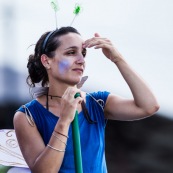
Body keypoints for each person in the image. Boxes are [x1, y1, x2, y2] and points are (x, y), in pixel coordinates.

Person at [13, 26, 159, 173]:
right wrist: (64, 121)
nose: (81, 60)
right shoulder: (27, 116)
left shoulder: (98, 102)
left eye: (83, 53)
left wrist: (117, 58)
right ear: (46, 61)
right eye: (71, 53)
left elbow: (149, 106)